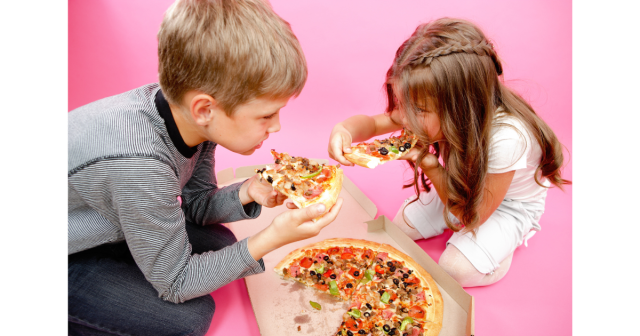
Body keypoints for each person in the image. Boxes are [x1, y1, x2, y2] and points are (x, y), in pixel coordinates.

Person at [67, 0, 343, 335]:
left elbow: (196, 204)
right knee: (189, 318)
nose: (277, 127)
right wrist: (272, 237)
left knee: (223, 243)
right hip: (76, 250)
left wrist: (248, 191)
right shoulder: (141, 167)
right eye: (266, 115)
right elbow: (177, 283)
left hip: (113, 215)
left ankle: (137, 253)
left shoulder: (193, 120)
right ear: (205, 109)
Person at [328, 18, 570, 288]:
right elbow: (374, 123)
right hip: (461, 184)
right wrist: (344, 130)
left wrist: (431, 165)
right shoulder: (426, 106)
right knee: (400, 227)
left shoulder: (507, 139)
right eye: (402, 103)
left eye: (418, 110)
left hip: (509, 206)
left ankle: (502, 248)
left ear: (460, 108)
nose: (405, 118)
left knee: (454, 270)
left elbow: (472, 216)